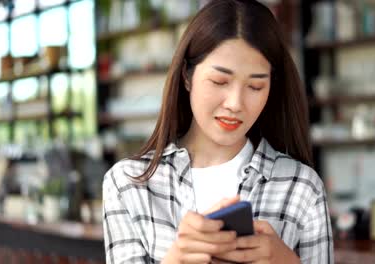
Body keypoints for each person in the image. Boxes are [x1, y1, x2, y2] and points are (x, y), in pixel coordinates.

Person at [102, 0, 333, 263]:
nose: (235, 103)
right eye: (219, 81)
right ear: (187, 76)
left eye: (256, 86)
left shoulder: (302, 187)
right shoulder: (127, 185)